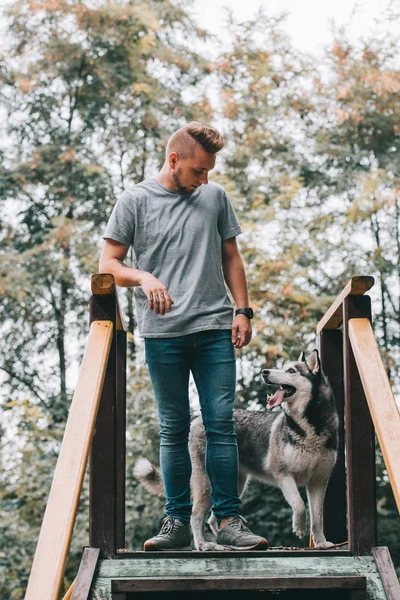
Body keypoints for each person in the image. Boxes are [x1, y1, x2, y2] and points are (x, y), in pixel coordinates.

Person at [99, 122, 267, 551]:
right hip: (162, 335)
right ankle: (175, 523)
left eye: (210, 171)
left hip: (214, 330)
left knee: (221, 427)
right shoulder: (134, 200)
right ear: (174, 160)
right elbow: (109, 265)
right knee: (173, 429)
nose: (204, 179)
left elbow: (232, 255)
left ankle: (228, 520)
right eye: (198, 170)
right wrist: (143, 276)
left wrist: (243, 310)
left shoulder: (214, 198)